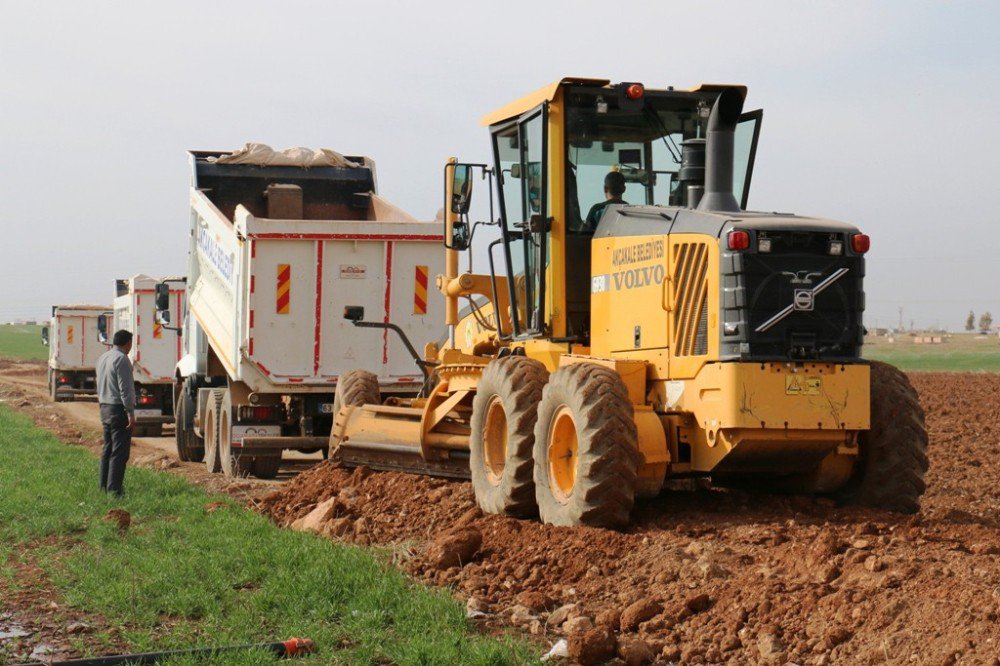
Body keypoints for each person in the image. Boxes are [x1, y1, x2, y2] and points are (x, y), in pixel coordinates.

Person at [96, 329, 136, 497]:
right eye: (130, 344)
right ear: (127, 343)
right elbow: (125, 388)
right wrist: (130, 412)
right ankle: (115, 491)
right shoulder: (122, 360)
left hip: (104, 407)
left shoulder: (103, 358)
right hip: (118, 409)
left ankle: (103, 487)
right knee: (119, 452)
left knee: (108, 449)